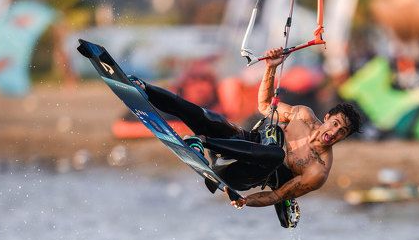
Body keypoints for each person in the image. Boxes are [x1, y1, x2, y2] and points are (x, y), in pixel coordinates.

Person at [130, 47, 362, 223]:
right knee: (205, 116)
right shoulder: (302, 114)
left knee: (274, 154)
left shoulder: (317, 171)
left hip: (240, 175)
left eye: (341, 132)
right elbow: (263, 105)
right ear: (328, 116)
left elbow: (276, 196)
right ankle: (143, 88)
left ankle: (201, 143)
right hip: (237, 144)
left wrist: (245, 200)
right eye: (334, 124)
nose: (333, 133)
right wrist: (271, 67)